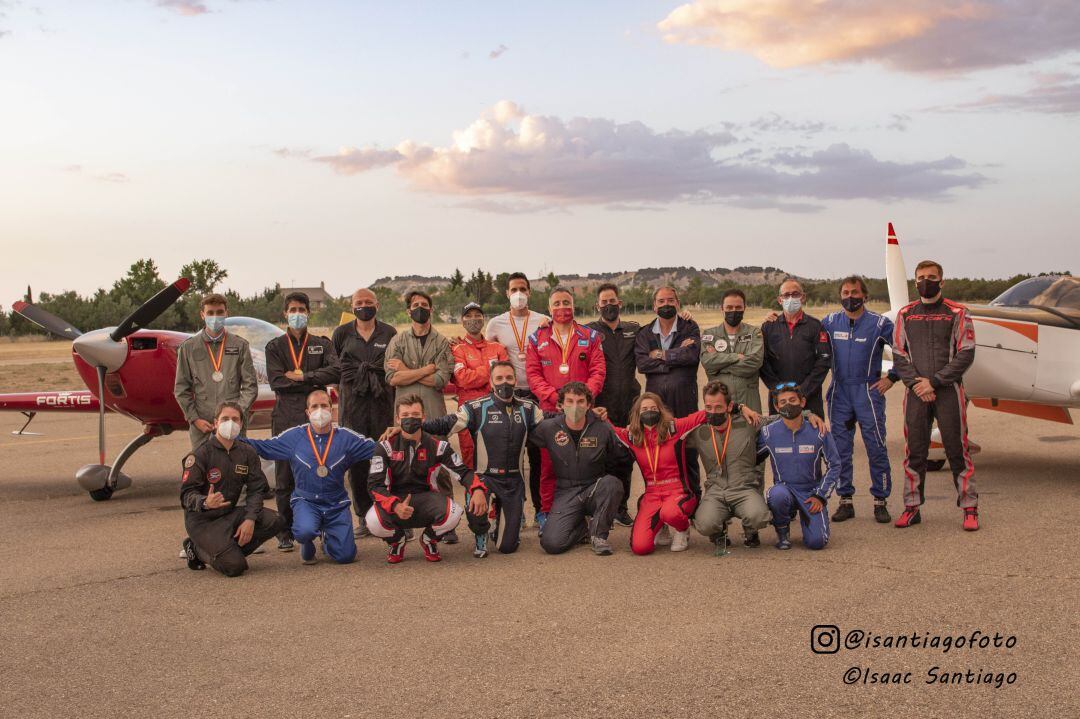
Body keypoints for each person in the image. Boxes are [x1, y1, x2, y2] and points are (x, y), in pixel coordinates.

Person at [403, 361, 546, 557]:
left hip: (514, 481)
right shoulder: (476, 408)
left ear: (515, 380)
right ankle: (481, 533)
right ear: (491, 381)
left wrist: (585, 416)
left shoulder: (529, 408)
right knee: (476, 510)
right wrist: (418, 425)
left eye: (509, 378)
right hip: (484, 478)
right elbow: (447, 424)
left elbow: (553, 425)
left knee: (507, 547)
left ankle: (501, 524)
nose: (505, 382)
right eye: (499, 378)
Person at [240, 390, 376, 565]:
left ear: (332, 408)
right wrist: (232, 438)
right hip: (306, 500)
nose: (320, 411)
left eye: (324, 406)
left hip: (336, 503)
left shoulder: (347, 438)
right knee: (304, 531)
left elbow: (377, 448)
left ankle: (327, 538)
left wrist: (397, 435)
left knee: (346, 557)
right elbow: (265, 447)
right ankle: (307, 541)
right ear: (307, 412)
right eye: (315, 406)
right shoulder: (294, 436)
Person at [688, 381, 826, 553]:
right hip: (716, 490)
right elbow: (674, 431)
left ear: (730, 406)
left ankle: (750, 531)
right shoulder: (698, 431)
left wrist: (808, 414)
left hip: (743, 489)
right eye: (708, 407)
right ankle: (718, 532)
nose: (713, 412)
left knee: (759, 517)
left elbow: (782, 417)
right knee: (703, 524)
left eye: (718, 407)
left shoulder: (748, 422)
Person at [892, 260, 979, 531]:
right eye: (920, 277)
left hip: (948, 391)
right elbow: (898, 353)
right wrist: (917, 384)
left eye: (931, 277)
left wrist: (936, 382)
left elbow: (966, 353)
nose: (925, 281)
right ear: (914, 281)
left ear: (941, 282)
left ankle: (970, 507)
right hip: (916, 392)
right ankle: (911, 507)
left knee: (957, 449)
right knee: (915, 451)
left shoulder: (957, 312)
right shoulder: (906, 314)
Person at [366, 395, 489, 563]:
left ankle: (428, 540)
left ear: (423, 417)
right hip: (395, 501)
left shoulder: (438, 446)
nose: (410, 419)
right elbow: (374, 486)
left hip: (426, 499)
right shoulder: (385, 446)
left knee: (454, 513)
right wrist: (395, 505)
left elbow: (463, 472)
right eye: (405, 415)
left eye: (415, 415)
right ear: (397, 419)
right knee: (372, 520)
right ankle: (397, 541)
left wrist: (478, 489)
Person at [265, 292, 340, 551]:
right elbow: (277, 381)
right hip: (285, 417)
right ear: (285, 313)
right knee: (285, 477)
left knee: (318, 471)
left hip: (316, 418)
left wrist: (300, 377)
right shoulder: (274, 347)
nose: (297, 313)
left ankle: (321, 525)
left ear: (309, 312)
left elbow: (336, 371)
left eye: (302, 309)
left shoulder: (321, 343)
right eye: (292, 309)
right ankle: (284, 530)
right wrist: (314, 381)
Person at [525, 287, 605, 531]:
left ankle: (590, 512)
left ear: (574, 305)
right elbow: (532, 374)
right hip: (552, 413)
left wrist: (582, 399)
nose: (562, 308)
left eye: (566, 303)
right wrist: (556, 399)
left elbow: (598, 370)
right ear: (549, 309)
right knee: (549, 466)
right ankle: (546, 512)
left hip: (583, 412)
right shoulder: (536, 338)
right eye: (557, 303)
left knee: (588, 464)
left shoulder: (590, 336)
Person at [820, 277, 897, 524]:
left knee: (876, 446)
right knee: (840, 450)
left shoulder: (880, 323)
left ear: (864, 295)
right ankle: (845, 501)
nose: (850, 296)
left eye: (855, 292)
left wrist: (892, 377)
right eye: (845, 292)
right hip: (840, 391)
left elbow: (905, 349)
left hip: (868, 391)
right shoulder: (829, 322)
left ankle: (880, 501)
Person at [180, 402, 283, 576]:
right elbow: (186, 495)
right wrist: (204, 502)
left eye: (235, 419)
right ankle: (196, 548)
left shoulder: (247, 453)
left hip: (230, 513)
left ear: (241, 425)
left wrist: (250, 519)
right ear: (215, 423)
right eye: (225, 419)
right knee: (235, 567)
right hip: (203, 522)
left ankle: (227, 549)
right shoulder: (200, 455)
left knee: (276, 520)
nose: (230, 423)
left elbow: (257, 489)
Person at [599, 393, 707, 555]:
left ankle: (682, 529)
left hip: (678, 493)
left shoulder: (675, 428)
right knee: (640, 548)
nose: (649, 412)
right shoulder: (632, 436)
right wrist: (600, 416)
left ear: (661, 410)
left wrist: (738, 407)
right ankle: (660, 526)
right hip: (652, 496)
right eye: (644, 409)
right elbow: (610, 430)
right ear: (637, 414)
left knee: (669, 512)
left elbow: (703, 414)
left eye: (653, 408)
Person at [529, 382, 628, 556]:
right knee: (551, 544)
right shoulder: (549, 427)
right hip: (566, 492)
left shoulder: (602, 427)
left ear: (589, 404)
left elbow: (623, 455)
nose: (575, 406)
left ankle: (598, 535)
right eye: (570, 401)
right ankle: (582, 529)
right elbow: (522, 433)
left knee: (613, 484)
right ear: (561, 405)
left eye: (581, 401)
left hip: (594, 486)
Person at [484, 272, 550, 528]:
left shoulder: (543, 320)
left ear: (530, 292)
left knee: (537, 456)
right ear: (507, 293)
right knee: (510, 457)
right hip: (509, 395)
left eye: (523, 288)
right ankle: (515, 509)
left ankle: (540, 510)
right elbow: (488, 355)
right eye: (514, 289)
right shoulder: (496, 324)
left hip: (536, 395)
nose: (518, 294)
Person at [333, 288, 397, 538]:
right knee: (357, 463)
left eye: (368, 302)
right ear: (351, 306)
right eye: (358, 302)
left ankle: (388, 512)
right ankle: (363, 515)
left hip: (382, 403)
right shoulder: (341, 333)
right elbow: (337, 366)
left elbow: (393, 364)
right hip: (353, 406)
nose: (363, 306)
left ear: (377, 305)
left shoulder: (389, 332)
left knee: (385, 458)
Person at [634, 286, 702, 512]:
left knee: (688, 449)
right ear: (654, 305)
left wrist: (661, 355)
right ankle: (659, 501)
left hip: (684, 397)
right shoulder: (644, 333)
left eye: (670, 300)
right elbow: (643, 364)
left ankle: (693, 501)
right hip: (656, 400)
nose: (666, 305)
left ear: (678, 303)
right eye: (661, 301)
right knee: (657, 451)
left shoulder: (689, 327)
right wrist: (676, 356)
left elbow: (691, 356)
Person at [757, 383, 841, 550]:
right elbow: (750, 460)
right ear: (776, 407)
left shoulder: (819, 430)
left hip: (811, 492)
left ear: (802, 403)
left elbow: (835, 465)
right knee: (777, 494)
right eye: (783, 402)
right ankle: (782, 532)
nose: (788, 404)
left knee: (817, 543)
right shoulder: (768, 433)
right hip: (785, 489)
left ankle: (810, 522)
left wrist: (821, 495)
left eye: (792, 400)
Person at [586, 282, 641, 527]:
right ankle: (600, 507)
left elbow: (658, 333)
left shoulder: (634, 329)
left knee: (625, 457)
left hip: (628, 404)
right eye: (604, 302)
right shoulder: (588, 331)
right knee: (600, 458)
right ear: (597, 305)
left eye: (612, 301)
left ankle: (621, 507)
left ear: (620, 303)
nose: (609, 306)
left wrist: (684, 317)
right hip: (601, 405)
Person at [174, 293, 258, 449]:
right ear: (202, 315)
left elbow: (250, 387)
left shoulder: (240, 345)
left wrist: (236, 416)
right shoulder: (188, 347)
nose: (215, 317)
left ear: (227, 313)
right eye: (210, 313)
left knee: (235, 467)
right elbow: (181, 389)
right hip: (202, 424)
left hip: (234, 424)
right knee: (203, 468)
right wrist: (195, 419)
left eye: (219, 312)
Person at [759, 278, 832, 417]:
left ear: (803, 297)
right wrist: (778, 390)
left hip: (809, 398)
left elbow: (823, 361)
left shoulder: (815, 326)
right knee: (780, 436)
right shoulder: (768, 327)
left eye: (795, 294)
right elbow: (763, 362)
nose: (791, 298)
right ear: (780, 300)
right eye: (786, 295)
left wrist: (802, 391)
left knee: (811, 436)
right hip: (778, 398)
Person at [450, 302, 509, 469]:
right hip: (469, 412)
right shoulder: (457, 348)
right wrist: (491, 369)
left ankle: (498, 494)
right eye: (468, 316)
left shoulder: (497, 347)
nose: (473, 319)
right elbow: (463, 379)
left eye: (477, 315)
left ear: (484, 319)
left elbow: (504, 378)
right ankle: (473, 493)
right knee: (470, 457)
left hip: (497, 408)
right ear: (462, 321)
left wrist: (476, 374)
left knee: (499, 456)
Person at [385, 290, 453, 419]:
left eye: (424, 305)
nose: (420, 308)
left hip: (434, 412)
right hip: (405, 413)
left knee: (436, 440)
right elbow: (393, 379)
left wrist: (404, 370)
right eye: (415, 305)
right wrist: (426, 370)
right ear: (408, 311)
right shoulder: (397, 341)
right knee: (407, 439)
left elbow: (440, 380)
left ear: (431, 310)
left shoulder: (441, 342)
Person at [700, 289, 764, 413]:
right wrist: (735, 357)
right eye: (729, 307)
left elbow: (753, 363)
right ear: (721, 309)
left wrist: (718, 366)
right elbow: (708, 362)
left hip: (749, 401)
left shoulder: (754, 333)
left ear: (744, 308)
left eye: (738, 307)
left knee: (751, 431)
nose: (733, 311)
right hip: (719, 405)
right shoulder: (710, 334)